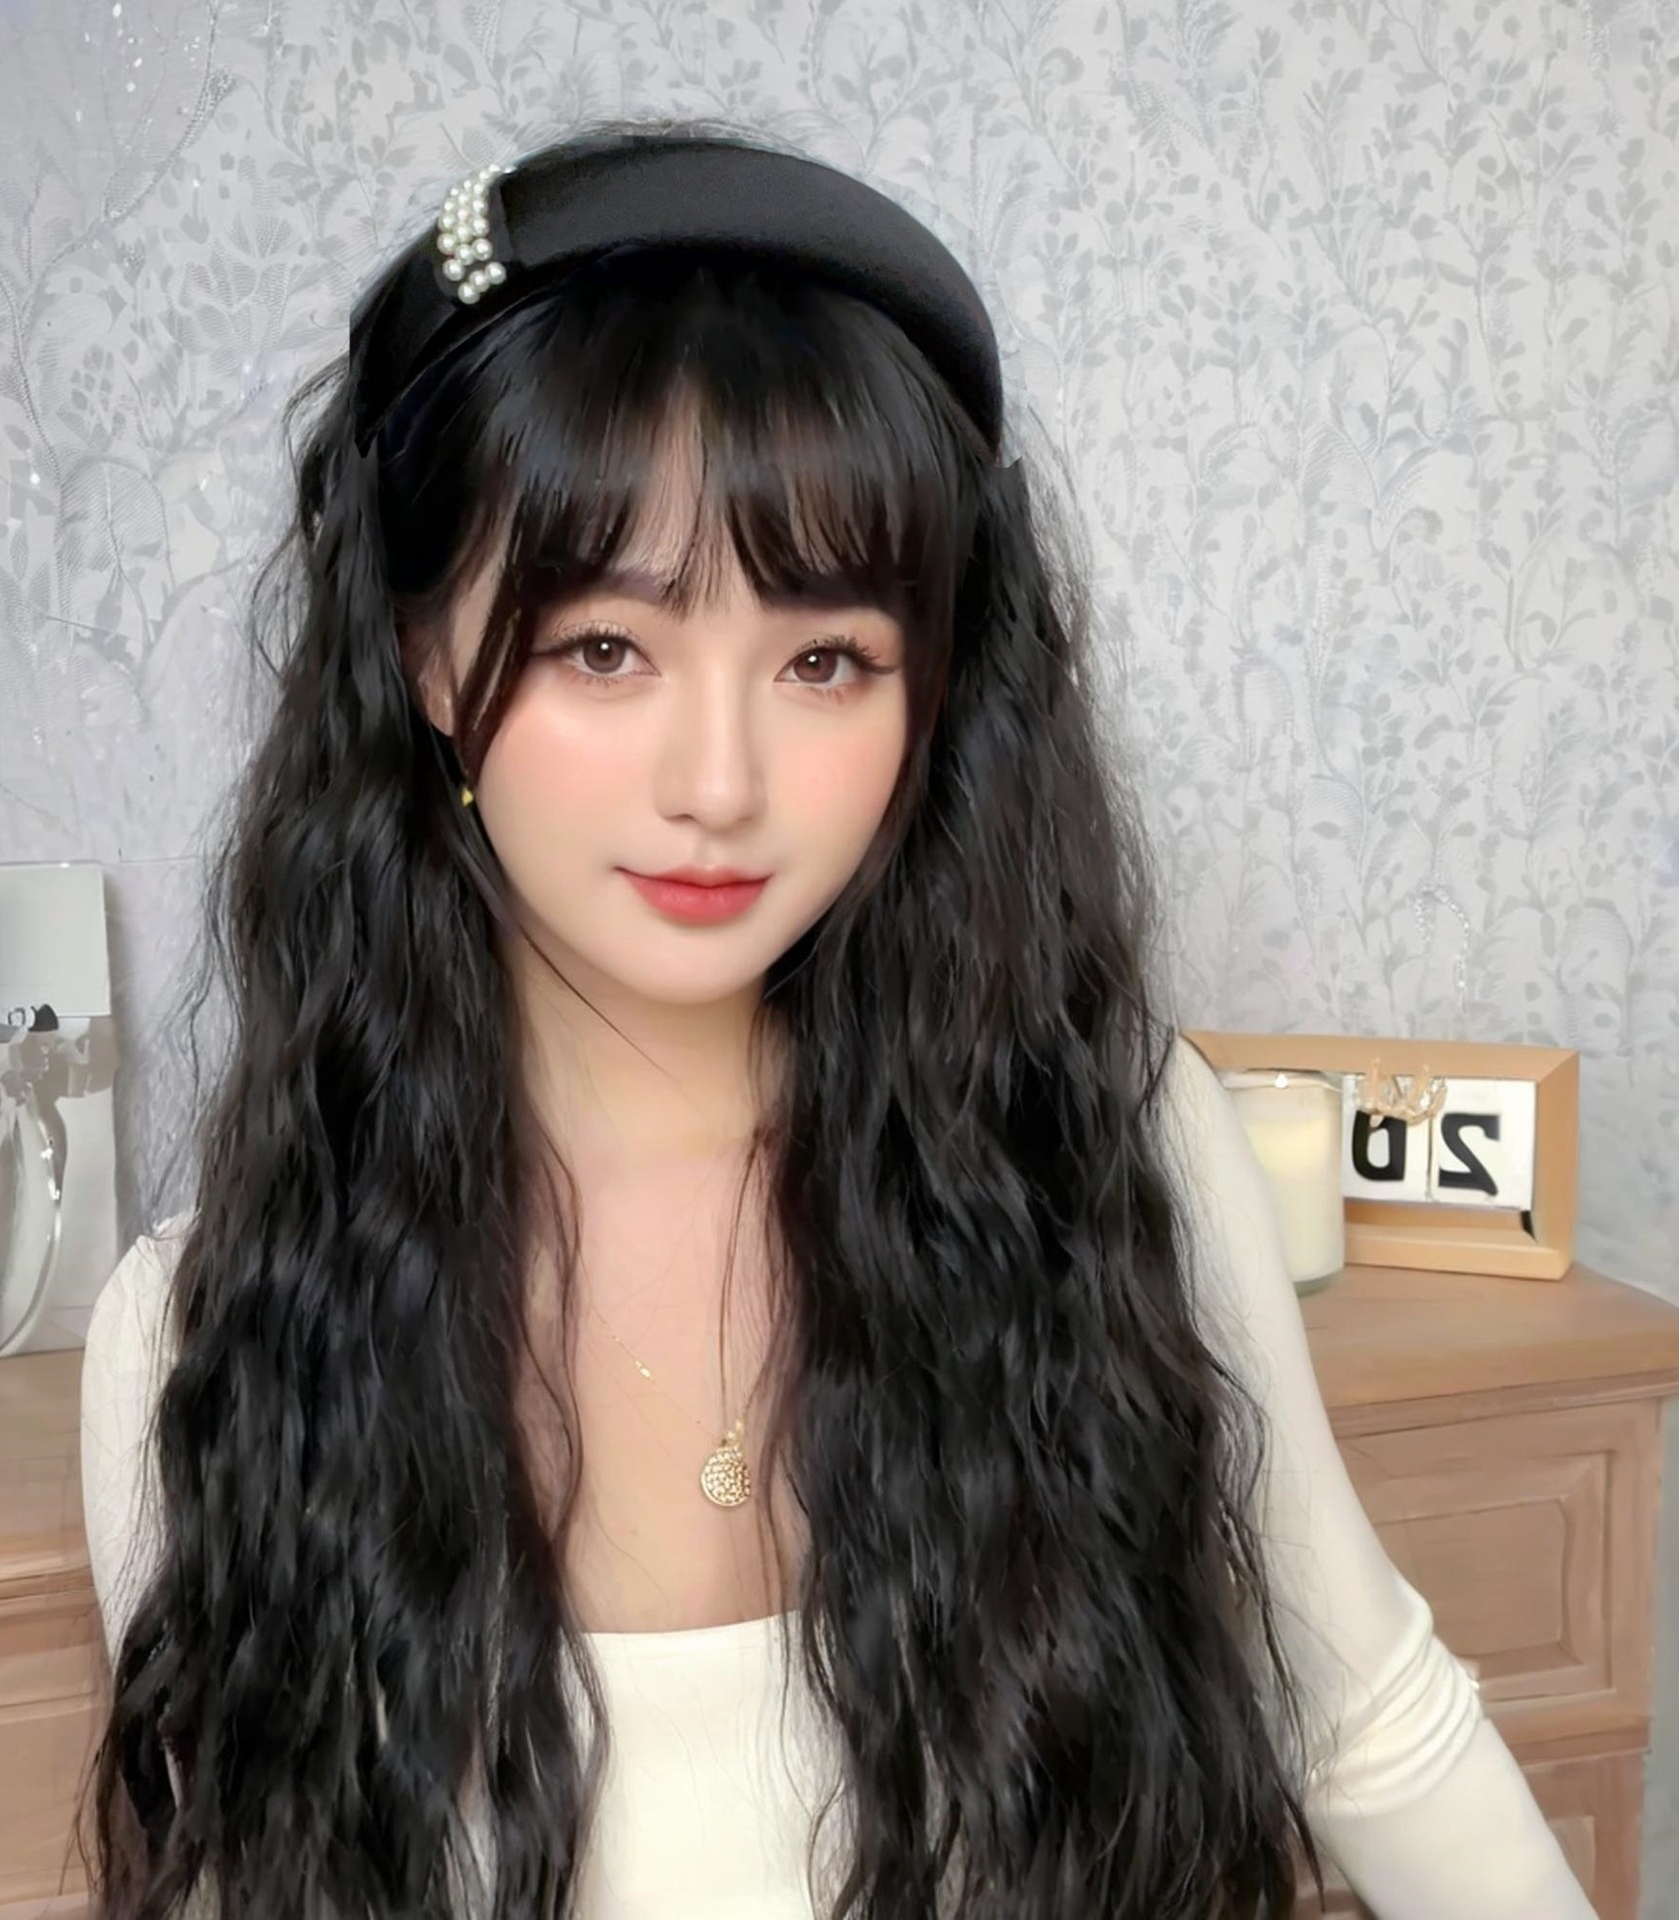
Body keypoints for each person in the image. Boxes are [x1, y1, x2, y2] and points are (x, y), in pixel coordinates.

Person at [78, 119, 1597, 1919]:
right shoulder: (204, 1337)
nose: (719, 784)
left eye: (824, 662)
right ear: (420, 657)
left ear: (932, 689)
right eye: (604, 649)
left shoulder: (1097, 1160)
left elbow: (1377, 1735)